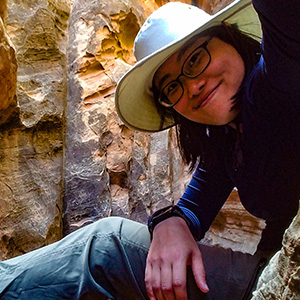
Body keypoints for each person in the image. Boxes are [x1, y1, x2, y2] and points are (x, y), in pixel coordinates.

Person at [0, 0, 299, 299]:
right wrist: (170, 221)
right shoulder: (225, 141)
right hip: (277, 268)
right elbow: (193, 208)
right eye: (172, 87)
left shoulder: (276, 82)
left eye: (194, 59)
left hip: (277, 273)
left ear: (228, 34)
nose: (192, 86)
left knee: (107, 247)